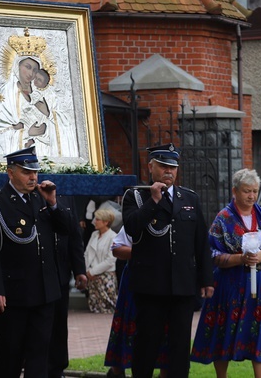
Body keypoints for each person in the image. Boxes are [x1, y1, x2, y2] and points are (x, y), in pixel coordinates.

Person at [123, 143, 214, 378]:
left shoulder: (189, 197)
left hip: (182, 285)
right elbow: (132, 228)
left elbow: (201, 241)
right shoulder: (135, 195)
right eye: (163, 166)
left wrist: (206, 279)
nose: (169, 172)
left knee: (180, 346)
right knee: (146, 344)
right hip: (151, 286)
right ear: (150, 166)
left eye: (173, 167)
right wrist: (153, 201)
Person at [0, 146, 70, 377]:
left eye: (35, 172)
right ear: (11, 173)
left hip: (44, 293)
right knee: (10, 356)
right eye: (26, 172)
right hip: (14, 294)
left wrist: (53, 203)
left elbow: (67, 229)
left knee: (40, 358)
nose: (33, 177)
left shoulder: (41, 199)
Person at [191, 168, 261, 378]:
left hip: (260, 288)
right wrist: (239, 259)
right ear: (235, 191)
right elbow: (211, 253)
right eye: (246, 191)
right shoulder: (223, 218)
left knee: (260, 334)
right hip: (229, 287)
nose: (251, 196)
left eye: (254, 191)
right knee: (223, 331)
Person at [104, 227, 169, 378]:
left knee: (165, 329)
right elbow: (117, 248)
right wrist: (145, 253)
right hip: (137, 279)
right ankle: (117, 371)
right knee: (130, 324)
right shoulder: (136, 216)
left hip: (165, 281)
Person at [48, 195, 87, 378]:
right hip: (35, 273)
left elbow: (74, 235)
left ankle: (57, 369)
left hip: (60, 272)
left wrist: (79, 269)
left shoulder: (67, 197)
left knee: (59, 325)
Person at [85, 208, 118, 313]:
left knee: (108, 309)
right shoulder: (94, 235)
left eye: (97, 219)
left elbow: (110, 260)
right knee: (95, 308)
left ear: (106, 222)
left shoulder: (114, 237)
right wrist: (88, 271)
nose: (94, 221)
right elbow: (87, 254)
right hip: (92, 277)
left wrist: (93, 271)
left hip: (106, 278)